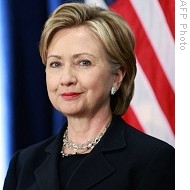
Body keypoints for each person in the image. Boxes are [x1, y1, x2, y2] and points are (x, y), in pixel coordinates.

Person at [3, 2, 175, 190]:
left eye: (83, 62)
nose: (66, 78)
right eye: (55, 64)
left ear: (116, 77)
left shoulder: (153, 159)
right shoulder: (24, 164)